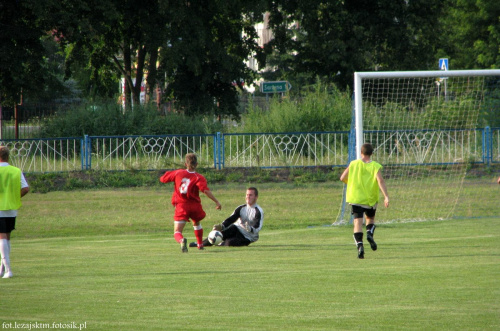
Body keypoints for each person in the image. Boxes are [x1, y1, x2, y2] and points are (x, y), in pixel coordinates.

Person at [160, 153, 221, 252]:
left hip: (182, 205)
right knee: (196, 223)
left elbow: (163, 179)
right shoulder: (199, 177)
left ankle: (181, 240)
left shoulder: (178, 173)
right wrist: (216, 201)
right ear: (196, 164)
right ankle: (200, 244)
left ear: (185, 164)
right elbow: (205, 190)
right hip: (195, 205)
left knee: (177, 231)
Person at [340, 143, 389, 259]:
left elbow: (342, 178)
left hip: (356, 198)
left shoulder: (353, 164)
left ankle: (360, 246)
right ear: (372, 153)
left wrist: (351, 183)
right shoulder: (375, 166)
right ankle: (369, 234)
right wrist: (386, 196)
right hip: (370, 199)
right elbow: (380, 181)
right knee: (370, 219)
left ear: (361, 153)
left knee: (357, 222)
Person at [190, 187, 263, 247]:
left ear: (256, 197)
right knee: (218, 234)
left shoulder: (258, 211)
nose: (248, 197)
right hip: (237, 229)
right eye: (247, 195)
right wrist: (221, 226)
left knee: (229, 243)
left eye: (250, 195)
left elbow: (257, 227)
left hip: (248, 236)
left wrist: (250, 228)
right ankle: (200, 244)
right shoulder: (241, 208)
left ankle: (219, 244)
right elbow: (231, 219)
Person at [0, 146, 29, 278]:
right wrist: (15, 197)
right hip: (12, 208)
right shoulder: (16, 171)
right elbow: (25, 188)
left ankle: (8, 269)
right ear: (8, 156)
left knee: (1, 237)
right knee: (7, 237)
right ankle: (2, 269)